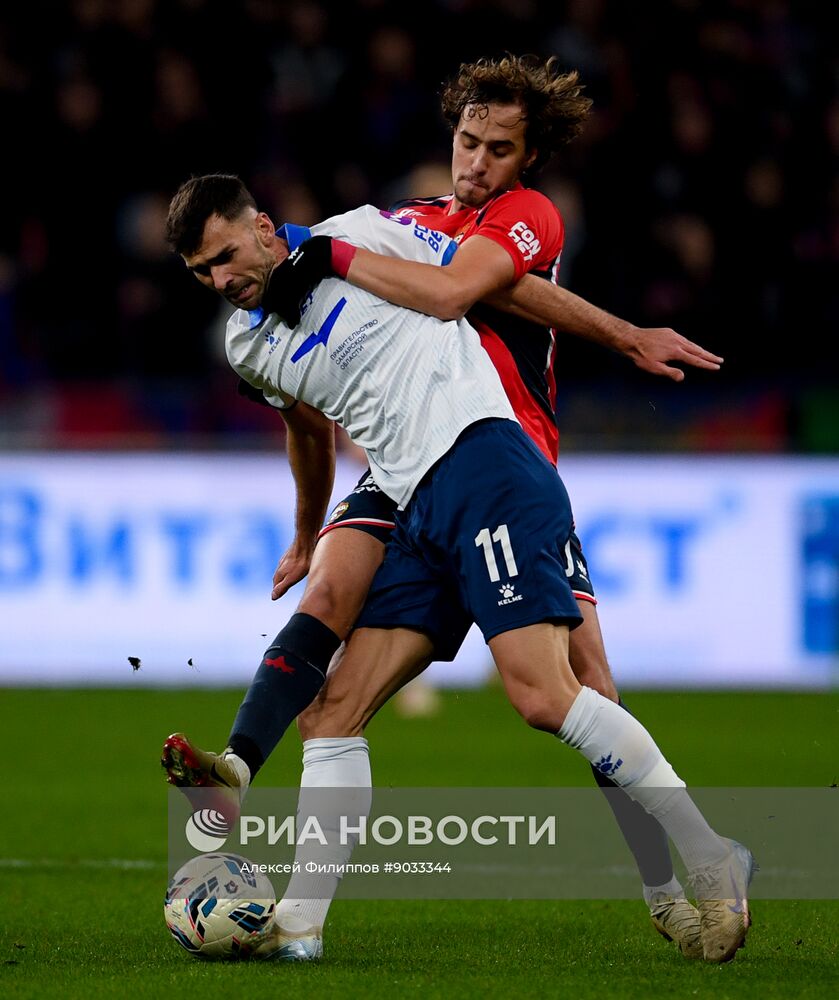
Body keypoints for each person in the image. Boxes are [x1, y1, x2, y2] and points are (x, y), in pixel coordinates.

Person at [164, 56, 724, 957]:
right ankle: (261, 828)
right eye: (466, 143)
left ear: (526, 157)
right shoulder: (394, 227)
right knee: (330, 633)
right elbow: (305, 422)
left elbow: (482, 290)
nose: (475, 164)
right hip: (401, 476)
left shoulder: (508, 222)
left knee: (578, 689)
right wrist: (306, 532)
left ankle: (670, 883)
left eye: (497, 149)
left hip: (499, 456)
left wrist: (624, 336)